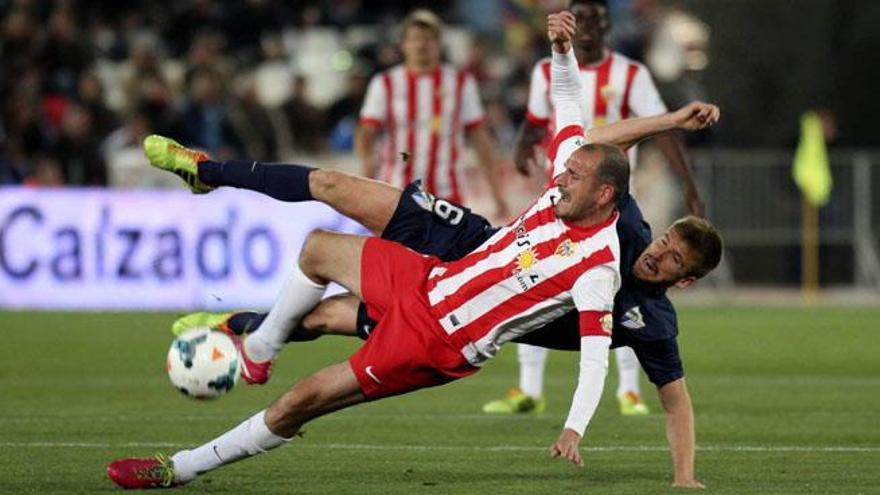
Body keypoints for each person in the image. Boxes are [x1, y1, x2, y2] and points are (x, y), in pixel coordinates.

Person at [107, 13, 719, 489]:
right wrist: (560, 48)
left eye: (573, 176)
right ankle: (256, 331)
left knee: (301, 400)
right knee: (318, 245)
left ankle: (179, 468)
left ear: (604, 193)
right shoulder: (589, 191)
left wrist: (574, 428)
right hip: (430, 274)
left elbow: (594, 363)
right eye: (665, 244)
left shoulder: (599, 268)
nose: (557, 178)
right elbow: (571, 112)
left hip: (439, 338)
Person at [507, 0, 706, 417]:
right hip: (562, 191)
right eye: (583, 21)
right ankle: (528, 387)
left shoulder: (630, 74)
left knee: (626, 285)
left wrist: (687, 183)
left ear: (607, 27)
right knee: (534, 277)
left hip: (614, 200)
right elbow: (535, 119)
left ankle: (629, 389)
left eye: (598, 20)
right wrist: (524, 147)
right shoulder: (548, 69)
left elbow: (663, 125)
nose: (589, 29)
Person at [356, 9, 509, 219]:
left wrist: (497, 196)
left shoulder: (461, 83)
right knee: (398, 252)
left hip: (448, 195)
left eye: (428, 39)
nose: (421, 45)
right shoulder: (385, 83)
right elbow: (366, 133)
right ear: (403, 44)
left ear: (439, 44)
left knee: (446, 253)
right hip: (397, 191)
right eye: (414, 39)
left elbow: (480, 138)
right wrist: (366, 184)